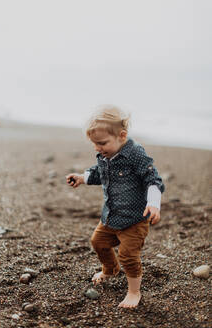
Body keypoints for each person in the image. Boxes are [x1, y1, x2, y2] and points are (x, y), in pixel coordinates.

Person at [66, 106, 165, 308]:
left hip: (134, 220)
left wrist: (154, 204)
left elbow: (152, 179)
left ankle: (134, 292)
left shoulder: (136, 154)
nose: (98, 148)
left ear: (122, 135)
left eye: (102, 143)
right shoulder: (105, 155)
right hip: (111, 216)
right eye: (94, 144)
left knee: (128, 256)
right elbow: (99, 173)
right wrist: (81, 177)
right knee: (98, 242)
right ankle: (110, 269)